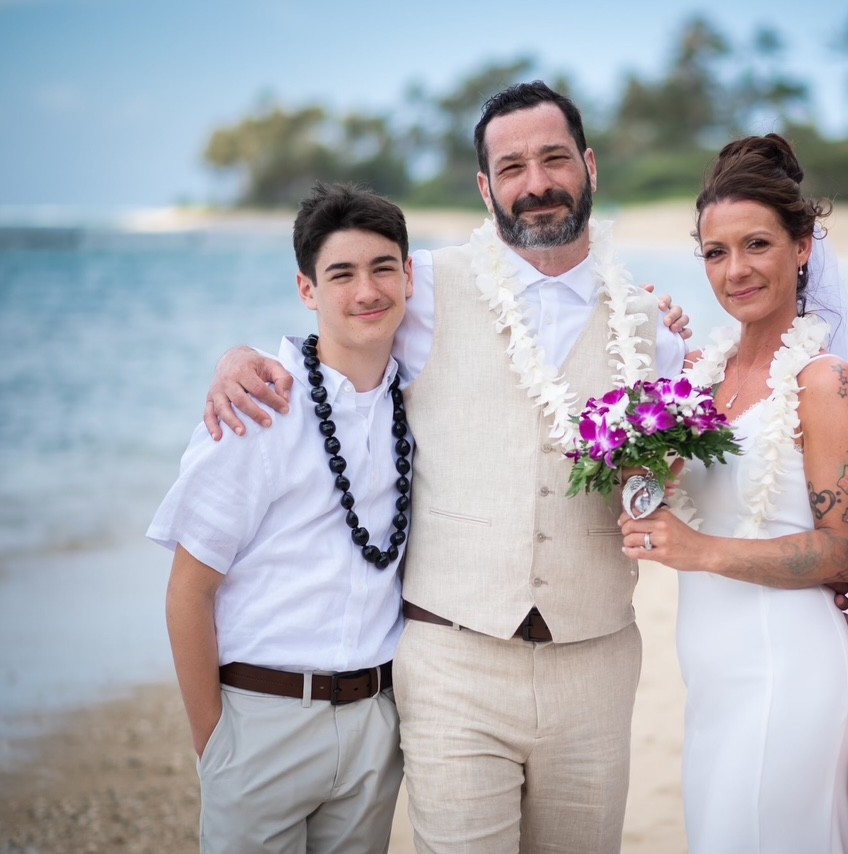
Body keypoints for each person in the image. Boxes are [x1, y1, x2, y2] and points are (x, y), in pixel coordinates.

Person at [204, 81, 689, 853]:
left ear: (590, 166)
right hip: (451, 656)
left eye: (554, 159)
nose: (536, 184)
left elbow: (676, 479)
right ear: (484, 186)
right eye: (513, 166)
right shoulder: (422, 284)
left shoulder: (650, 329)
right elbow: (337, 326)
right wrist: (244, 360)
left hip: (596, 660)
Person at [617, 134, 848, 853]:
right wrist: (646, 355)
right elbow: (648, 493)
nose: (736, 270)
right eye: (715, 253)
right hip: (712, 678)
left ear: (802, 248)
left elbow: (844, 554)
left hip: (787, 673)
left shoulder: (826, 383)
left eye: (757, 244)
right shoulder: (698, 376)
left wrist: (701, 552)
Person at [147, 182, 412, 853]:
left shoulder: (415, 396)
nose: (366, 291)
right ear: (306, 290)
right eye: (341, 274)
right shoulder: (257, 408)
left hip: (374, 729)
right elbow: (189, 588)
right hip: (262, 723)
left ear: (410, 276)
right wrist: (217, 745)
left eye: (383, 267)